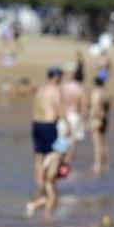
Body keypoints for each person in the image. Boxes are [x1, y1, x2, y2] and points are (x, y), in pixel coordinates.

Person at [31, 67, 67, 199]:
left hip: (36, 124)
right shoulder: (55, 89)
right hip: (49, 124)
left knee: (38, 157)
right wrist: (66, 124)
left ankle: (39, 186)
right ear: (56, 77)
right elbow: (59, 108)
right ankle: (49, 186)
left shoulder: (40, 89)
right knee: (52, 156)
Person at [26, 120, 69, 219]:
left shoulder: (59, 142)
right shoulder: (61, 137)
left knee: (49, 186)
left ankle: (45, 214)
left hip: (55, 155)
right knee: (51, 189)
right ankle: (42, 210)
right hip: (57, 153)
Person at [61, 64, 88, 166]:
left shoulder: (64, 86)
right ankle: (67, 164)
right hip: (75, 116)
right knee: (73, 142)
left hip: (64, 115)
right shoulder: (81, 89)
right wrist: (85, 121)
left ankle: (60, 161)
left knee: (62, 139)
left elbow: (60, 102)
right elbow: (84, 107)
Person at [88, 75, 110, 174]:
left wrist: (89, 119)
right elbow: (107, 107)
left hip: (96, 118)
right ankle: (106, 164)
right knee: (103, 142)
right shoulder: (105, 94)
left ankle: (98, 164)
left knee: (96, 143)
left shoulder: (96, 93)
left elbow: (95, 107)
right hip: (104, 118)